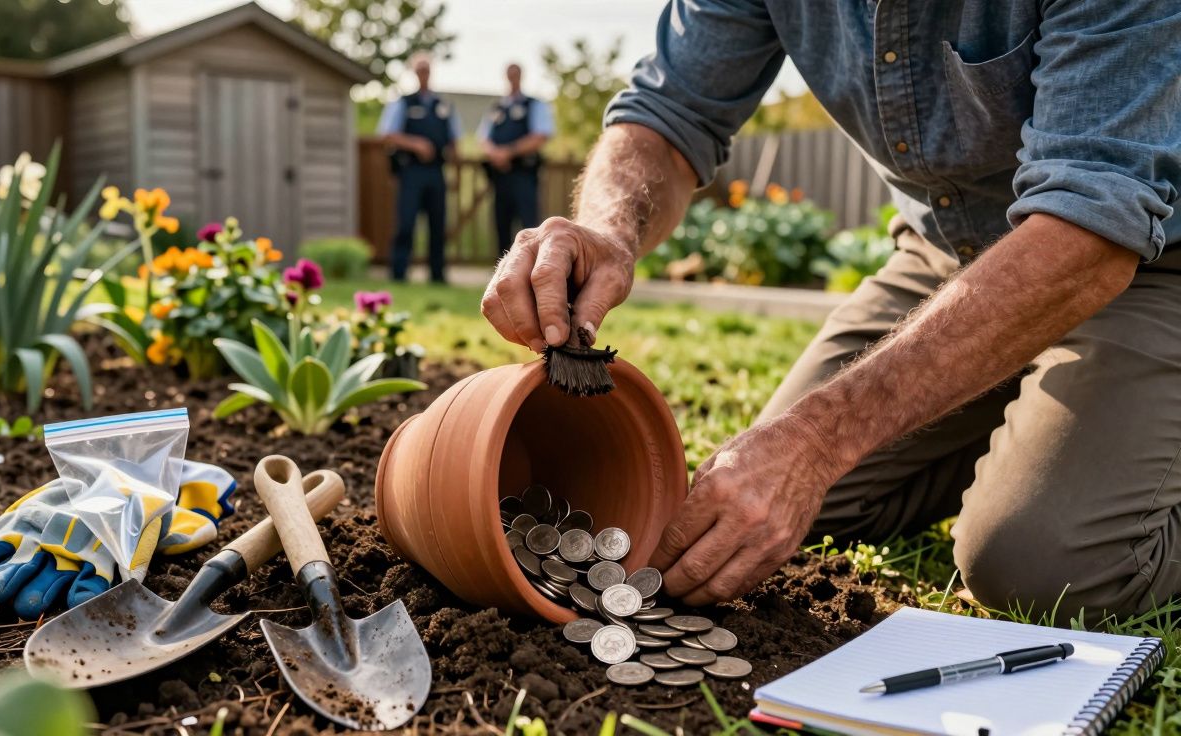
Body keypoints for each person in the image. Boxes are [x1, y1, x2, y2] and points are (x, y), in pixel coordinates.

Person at [481, 1, 1181, 623]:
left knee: (1043, 566)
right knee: (796, 513)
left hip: (1142, 261)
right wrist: (607, 229)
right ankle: (1027, 404)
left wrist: (819, 440)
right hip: (951, 254)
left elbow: (1090, 220)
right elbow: (668, 117)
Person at [378, 53, 461, 283]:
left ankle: (437, 274)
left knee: (438, 224)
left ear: (431, 72)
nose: (424, 73)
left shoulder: (443, 105)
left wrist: (456, 171)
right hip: (410, 171)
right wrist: (415, 144)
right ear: (414, 72)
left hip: (436, 172)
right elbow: (387, 134)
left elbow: (454, 140)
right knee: (406, 222)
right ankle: (399, 272)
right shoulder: (403, 102)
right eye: (420, 69)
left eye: (427, 69)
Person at [478, 63, 554, 257]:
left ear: (521, 76)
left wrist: (508, 152)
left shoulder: (534, 104)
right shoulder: (497, 108)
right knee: (501, 225)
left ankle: (532, 271)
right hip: (500, 175)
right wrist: (495, 154)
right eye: (509, 74)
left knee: (529, 226)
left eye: (516, 74)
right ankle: (502, 273)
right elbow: (483, 138)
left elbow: (540, 136)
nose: (512, 78)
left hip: (524, 174)